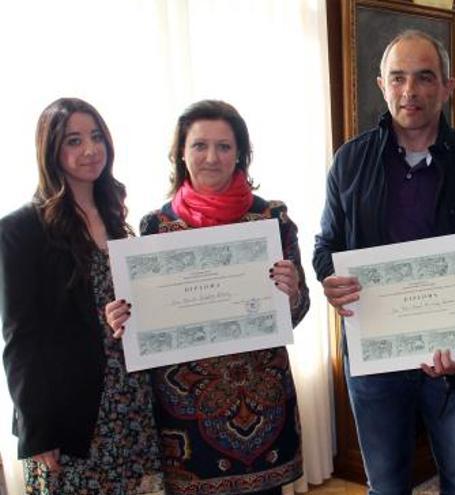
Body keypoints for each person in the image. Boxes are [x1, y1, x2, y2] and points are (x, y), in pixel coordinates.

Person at [313, 30, 455, 494]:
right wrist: (329, 277)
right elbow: (326, 244)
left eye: (425, 77)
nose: (410, 91)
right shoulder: (350, 162)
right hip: (376, 358)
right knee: (384, 485)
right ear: (380, 84)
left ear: (448, 86)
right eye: (398, 77)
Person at [106, 99, 310, 495]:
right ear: (181, 154)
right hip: (186, 409)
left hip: (260, 402)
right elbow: (143, 318)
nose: (211, 157)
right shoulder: (154, 227)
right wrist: (123, 318)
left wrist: (293, 292)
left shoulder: (271, 219)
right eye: (199, 146)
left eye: (224, 146)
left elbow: (297, 312)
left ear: (240, 155)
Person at [0, 98, 163, 493]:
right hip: (72, 414)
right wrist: (38, 431)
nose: (90, 150)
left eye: (96, 137)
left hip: (130, 402)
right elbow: (20, 340)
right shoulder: (20, 230)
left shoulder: (115, 218)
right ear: (51, 150)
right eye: (74, 140)